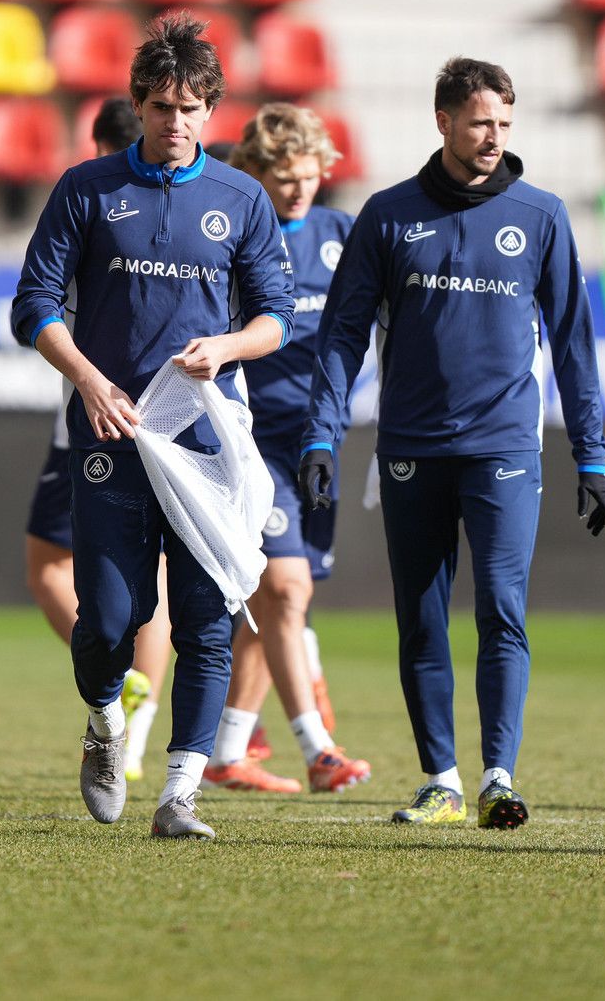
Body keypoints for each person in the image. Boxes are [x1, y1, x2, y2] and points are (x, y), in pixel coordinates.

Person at [303, 57, 605, 832]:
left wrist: (593, 452)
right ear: (443, 121)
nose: (493, 137)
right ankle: (439, 779)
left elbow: (574, 341)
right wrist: (321, 432)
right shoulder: (387, 215)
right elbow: (340, 335)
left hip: (505, 445)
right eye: (480, 122)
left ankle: (499, 778)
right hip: (411, 445)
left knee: (504, 610)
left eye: (505, 124)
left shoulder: (542, 215)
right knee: (421, 616)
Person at [11, 14, 295, 842]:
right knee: (107, 617)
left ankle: (180, 794)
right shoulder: (86, 188)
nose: (178, 122)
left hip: (202, 442)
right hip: (109, 432)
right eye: (164, 106)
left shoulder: (240, 198)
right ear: (138, 104)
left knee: (206, 618)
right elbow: (33, 306)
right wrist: (91, 380)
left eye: (194, 107)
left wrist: (230, 346)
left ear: (213, 111)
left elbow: (276, 317)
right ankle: (104, 723)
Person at [204, 105, 372, 797]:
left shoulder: (343, 237)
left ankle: (228, 751)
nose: (299, 189)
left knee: (276, 604)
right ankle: (318, 746)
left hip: (322, 441)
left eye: (309, 176)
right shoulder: (239, 235)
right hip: (255, 441)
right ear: (255, 172)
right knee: (285, 587)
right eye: (284, 176)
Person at [23, 97, 174, 783]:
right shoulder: (169, 197)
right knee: (164, 577)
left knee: (48, 562)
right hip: (173, 419)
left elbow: (41, 300)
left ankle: (113, 682)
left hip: (90, 421)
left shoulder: (88, 193)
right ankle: (133, 719)